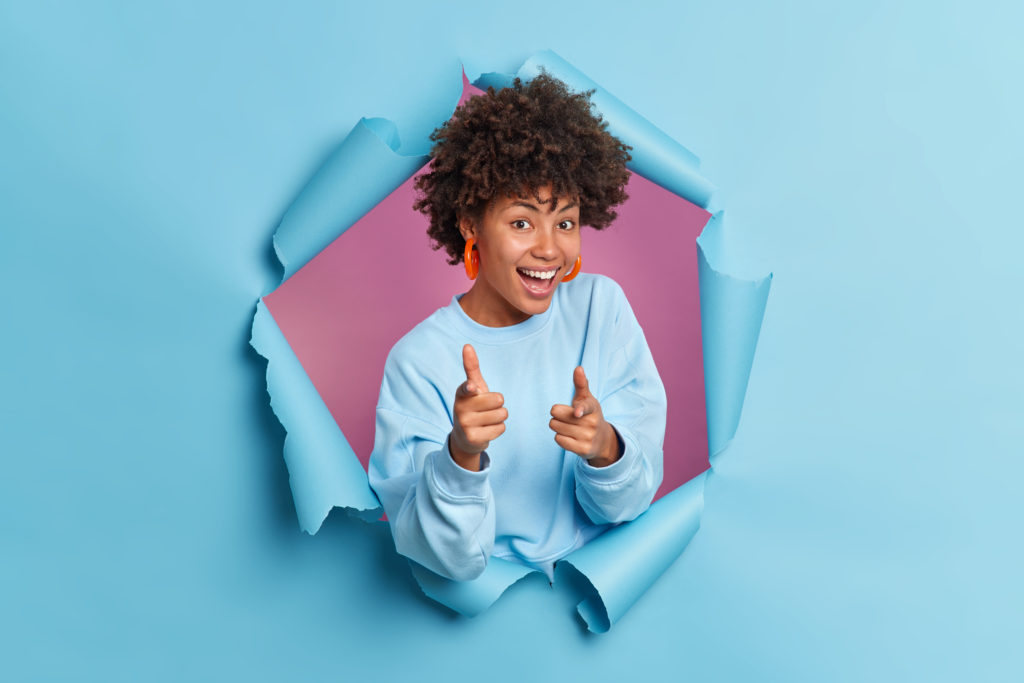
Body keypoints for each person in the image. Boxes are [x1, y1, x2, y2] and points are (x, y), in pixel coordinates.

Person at [368, 73, 667, 582]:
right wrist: (460, 456)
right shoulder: (417, 361)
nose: (550, 249)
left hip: (598, 590)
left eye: (566, 222)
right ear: (470, 224)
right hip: (496, 613)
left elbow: (628, 507)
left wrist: (606, 449)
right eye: (522, 222)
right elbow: (447, 561)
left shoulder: (600, 306)